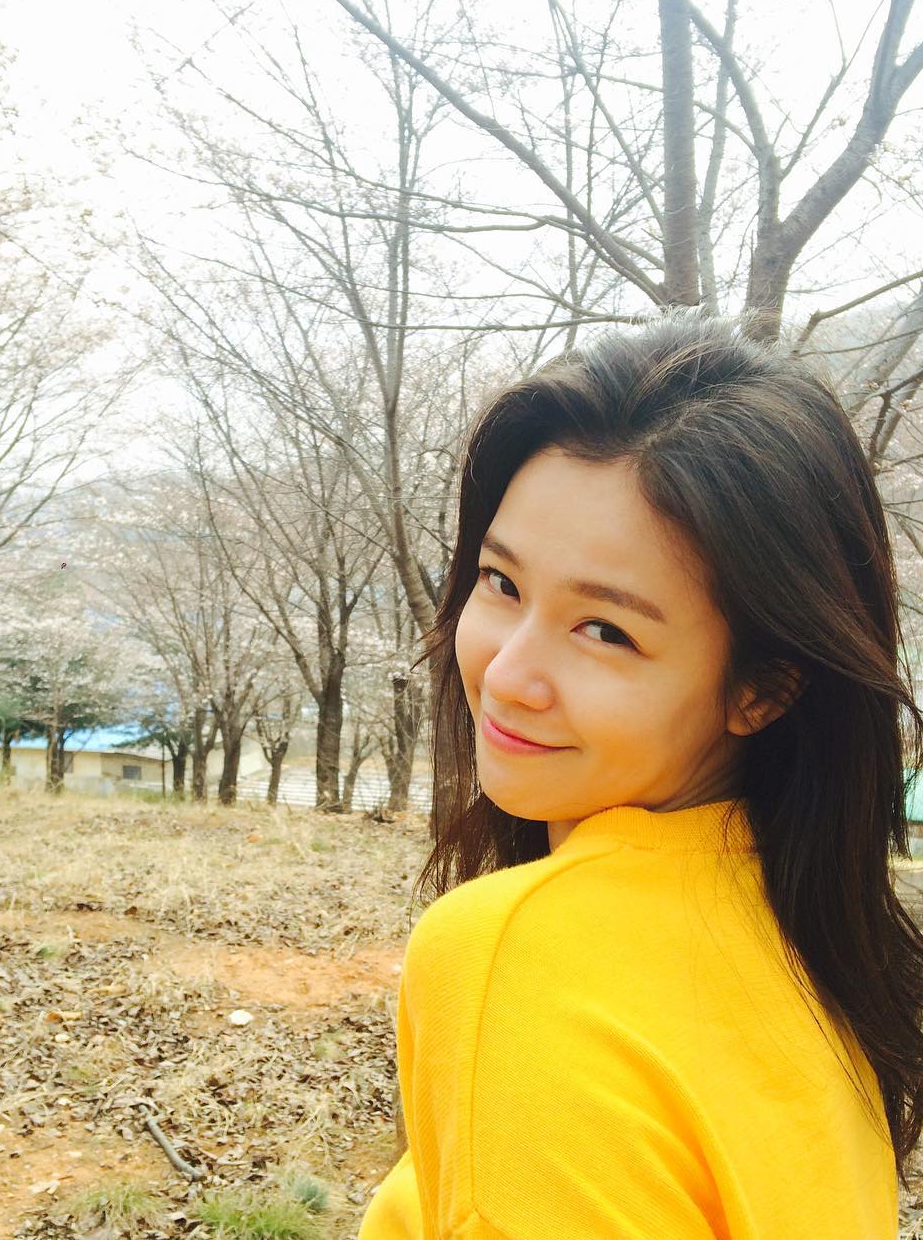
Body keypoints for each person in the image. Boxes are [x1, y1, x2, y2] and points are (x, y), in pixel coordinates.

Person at [357, 312, 923, 1238]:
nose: (507, 674)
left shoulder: (519, 961)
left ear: (763, 689)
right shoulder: (811, 938)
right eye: (502, 582)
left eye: (605, 630)